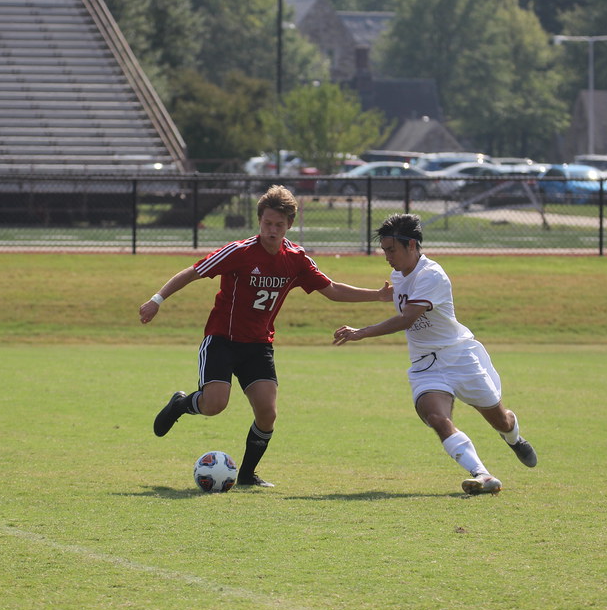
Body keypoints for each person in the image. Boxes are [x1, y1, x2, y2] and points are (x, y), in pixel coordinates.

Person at [139, 185, 392, 488]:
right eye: (267, 223)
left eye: (279, 225)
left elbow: (332, 289)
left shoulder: (296, 259)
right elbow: (193, 272)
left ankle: (246, 475)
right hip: (222, 339)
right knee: (215, 404)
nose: (272, 230)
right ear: (259, 221)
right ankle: (182, 404)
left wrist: (377, 296)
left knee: (267, 413)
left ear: (289, 226)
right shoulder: (240, 252)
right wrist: (157, 300)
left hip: (259, 345)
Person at [332, 213, 536, 495]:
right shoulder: (397, 274)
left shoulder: (432, 275)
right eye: (384, 250)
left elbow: (407, 319)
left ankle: (513, 437)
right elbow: (398, 298)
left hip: (459, 357)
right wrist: (380, 295)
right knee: (436, 418)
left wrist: (362, 332)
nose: (387, 257)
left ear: (412, 245)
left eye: (391, 250)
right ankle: (483, 475)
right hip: (426, 365)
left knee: (500, 419)